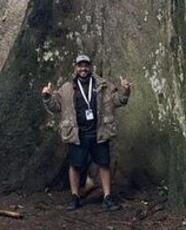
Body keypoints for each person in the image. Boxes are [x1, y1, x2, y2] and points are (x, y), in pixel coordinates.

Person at [41, 54, 132, 211]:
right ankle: (75, 197)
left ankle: (108, 197)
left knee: (104, 164)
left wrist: (125, 90)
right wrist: (47, 96)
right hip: (77, 133)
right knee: (75, 165)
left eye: (86, 65)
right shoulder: (66, 88)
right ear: (76, 68)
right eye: (80, 65)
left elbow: (118, 101)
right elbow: (55, 107)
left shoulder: (103, 85)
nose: (83, 68)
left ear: (90, 67)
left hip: (99, 131)